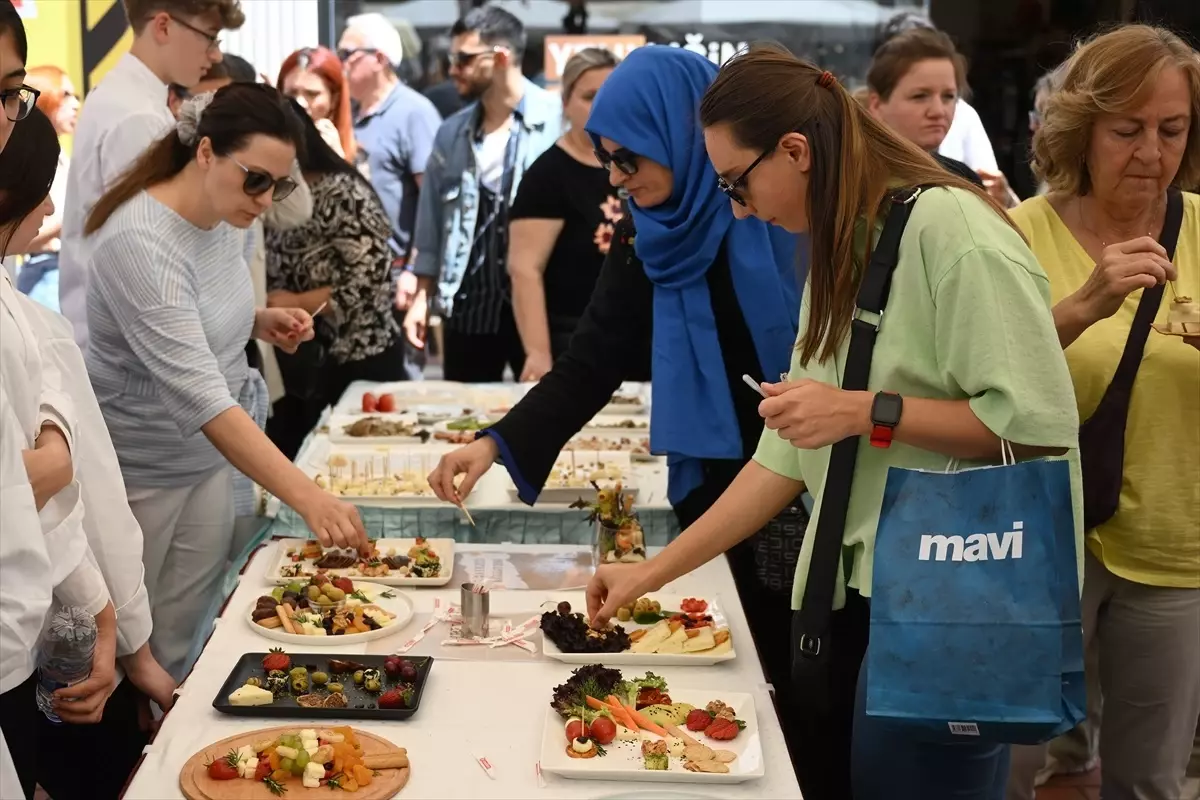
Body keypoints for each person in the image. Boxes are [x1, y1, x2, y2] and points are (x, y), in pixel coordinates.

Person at [586, 45, 1084, 799]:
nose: (738, 208)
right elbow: (781, 460)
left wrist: (864, 411)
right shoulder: (845, 244)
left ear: (795, 151)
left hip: (948, 606)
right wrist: (647, 576)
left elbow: (1035, 427)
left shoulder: (956, 231)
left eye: (737, 184)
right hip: (866, 605)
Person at [428, 43, 801, 756]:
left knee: (798, 670)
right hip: (716, 474)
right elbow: (590, 362)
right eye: (605, 159)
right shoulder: (646, 234)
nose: (615, 178)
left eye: (628, 160)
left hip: (812, 472)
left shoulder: (776, 213)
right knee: (729, 664)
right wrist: (492, 443)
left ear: (684, 138)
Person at [82, 83, 367, 680]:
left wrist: (260, 321)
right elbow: (203, 398)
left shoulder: (226, 213)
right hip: (144, 470)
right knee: (132, 638)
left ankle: (173, 740)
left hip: (207, 462)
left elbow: (200, 315)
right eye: (256, 179)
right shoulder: (141, 239)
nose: (265, 199)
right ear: (205, 151)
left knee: (193, 624)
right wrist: (309, 495)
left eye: (280, 185)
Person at [1005, 24, 1199, 800]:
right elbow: (982, 387)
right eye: (1128, 130)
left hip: (1174, 540)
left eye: (1173, 129)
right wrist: (1082, 305)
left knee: (1151, 780)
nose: (1151, 151)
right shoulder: (1020, 234)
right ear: (1081, 128)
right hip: (1039, 542)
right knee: (1010, 767)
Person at [58, 0, 245, 350]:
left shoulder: (125, 97)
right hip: (129, 353)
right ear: (163, 26)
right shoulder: (137, 116)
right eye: (211, 37)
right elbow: (147, 257)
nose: (216, 55)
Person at [408, 5, 561, 381]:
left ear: (501, 57)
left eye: (463, 58)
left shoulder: (557, 121)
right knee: (466, 421)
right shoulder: (452, 132)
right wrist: (421, 298)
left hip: (544, 306)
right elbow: (430, 223)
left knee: (550, 422)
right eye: (451, 58)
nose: (453, 69)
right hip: (470, 308)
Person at [264, 98, 406, 459]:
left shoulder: (341, 191)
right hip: (301, 355)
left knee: (364, 463)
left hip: (358, 355)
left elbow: (370, 277)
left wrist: (294, 303)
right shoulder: (273, 192)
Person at [339, 13, 443, 381]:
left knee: (398, 393)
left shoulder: (413, 112)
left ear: (380, 58)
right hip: (355, 282)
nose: (340, 63)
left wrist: (416, 272)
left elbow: (433, 200)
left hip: (398, 280)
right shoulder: (349, 113)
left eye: (347, 54)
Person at [509, 47, 622, 381]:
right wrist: (538, 353)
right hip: (572, 344)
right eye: (589, 97)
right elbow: (524, 269)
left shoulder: (636, 164)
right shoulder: (549, 175)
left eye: (611, 97)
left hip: (632, 340)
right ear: (565, 102)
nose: (602, 108)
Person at [865, 27, 986, 188]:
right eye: (920, 96)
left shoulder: (965, 180)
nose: (938, 111)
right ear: (876, 105)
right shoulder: (848, 181)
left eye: (948, 96)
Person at [13, 65, 77, 309]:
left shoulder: (62, 158)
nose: (75, 105)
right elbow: (14, 236)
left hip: (67, 272)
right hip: (45, 277)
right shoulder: (26, 161)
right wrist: (71, 215)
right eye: (66, 95)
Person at [277, 46, 356, 161]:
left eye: (312, 94)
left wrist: (337, 162)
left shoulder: (360, 159)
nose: (300, 103)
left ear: (333, 99)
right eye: (291, 94)